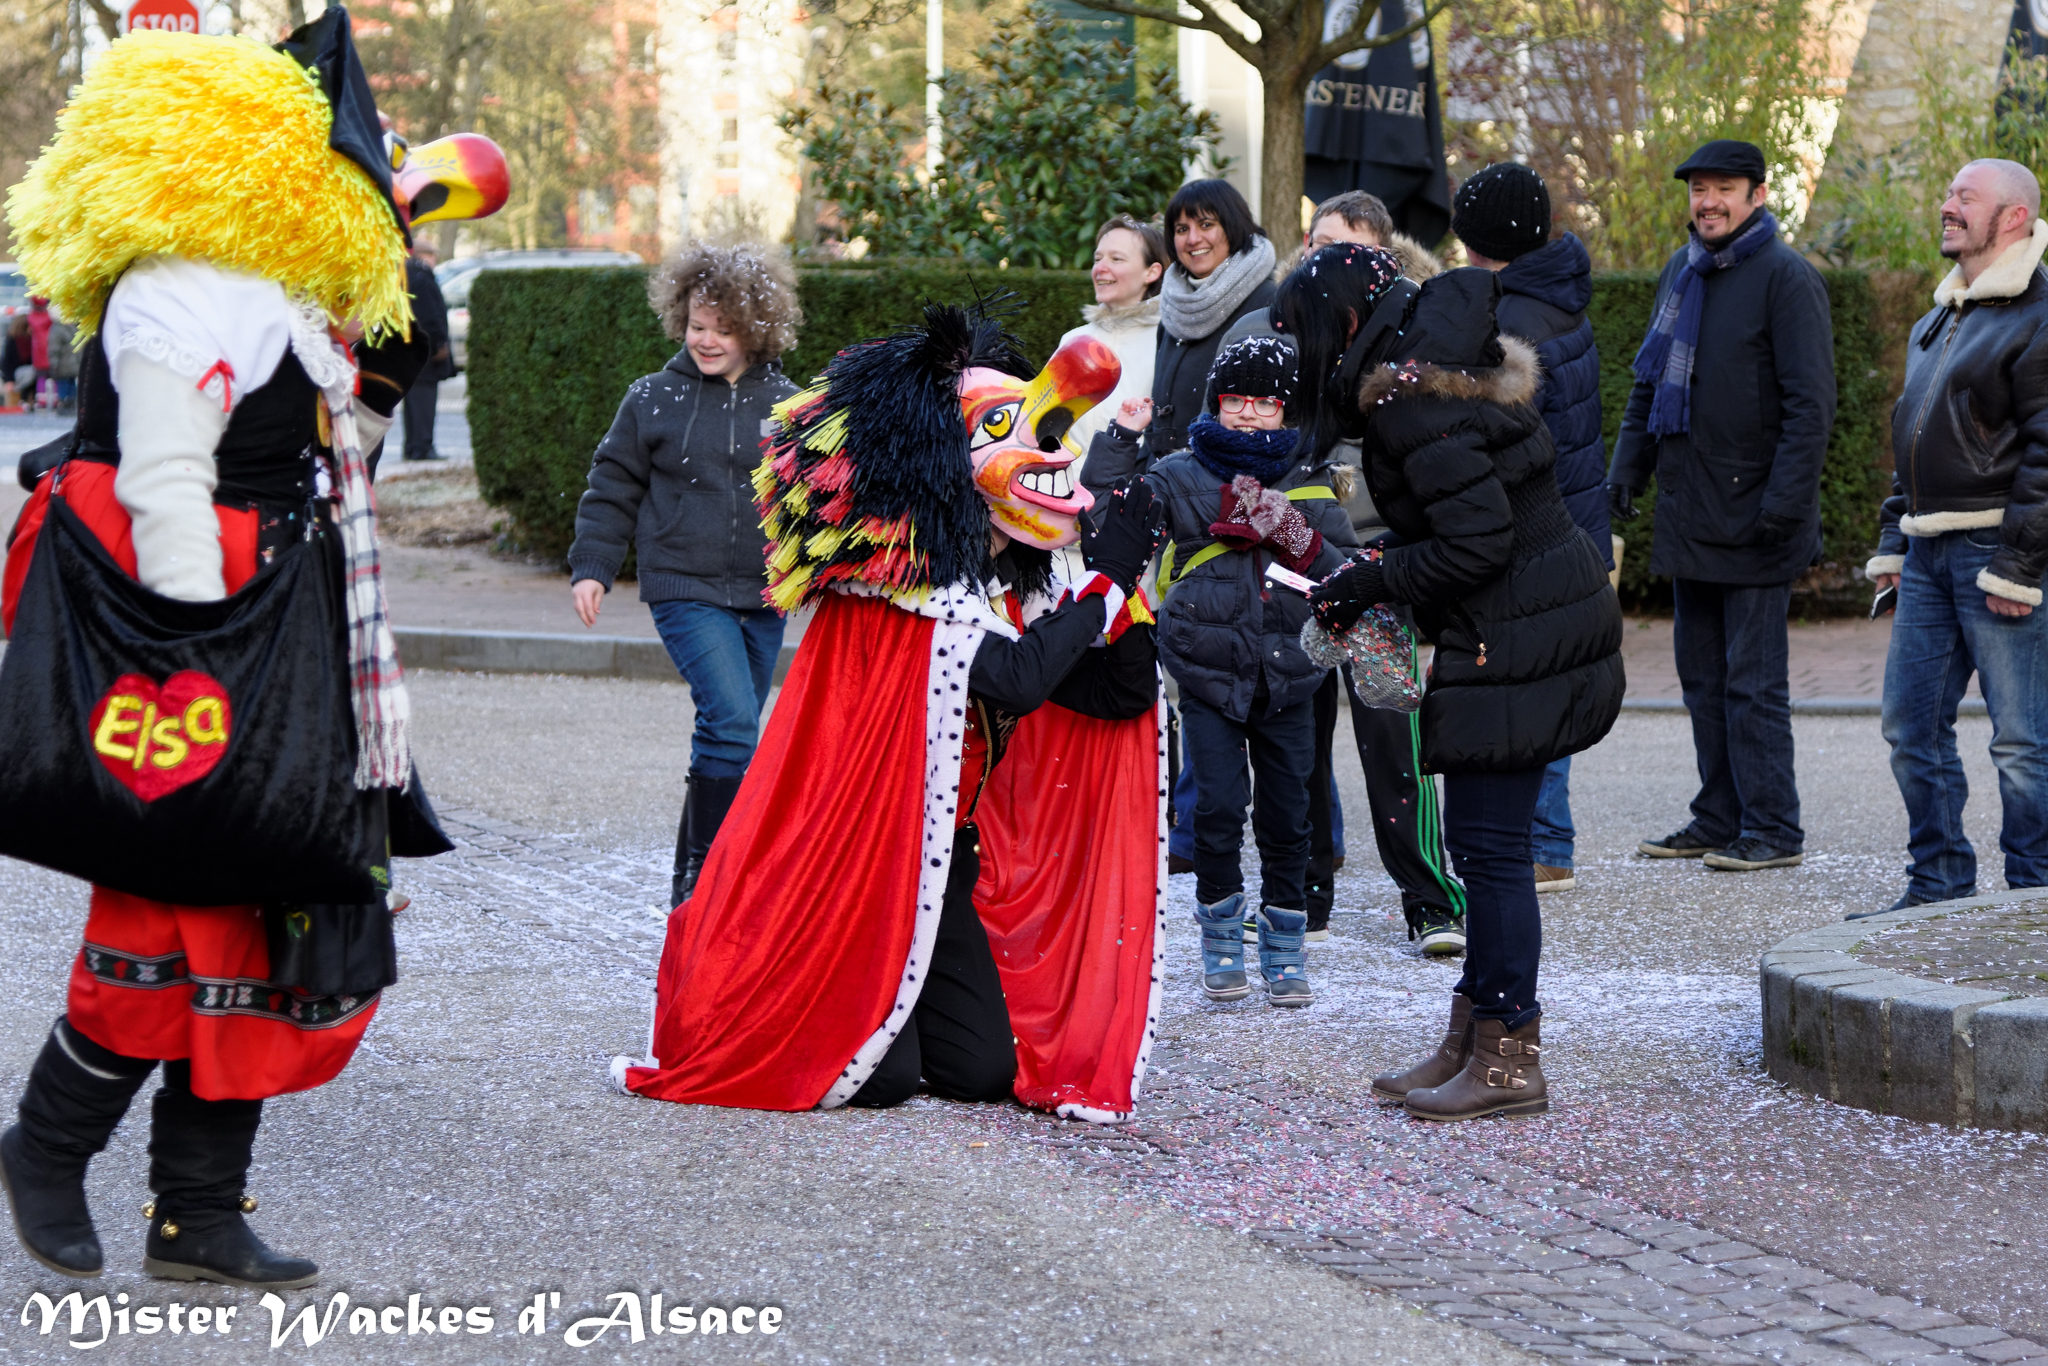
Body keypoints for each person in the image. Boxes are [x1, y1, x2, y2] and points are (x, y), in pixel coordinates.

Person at [0, 11, 503, 1285]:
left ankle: (197, 1214)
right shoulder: (186, 287)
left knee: (274, 924)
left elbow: (334, 461)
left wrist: (379, 368)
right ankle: (48, 1144)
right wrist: (199, 651)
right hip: (207, 643)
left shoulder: (272, 289)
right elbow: (164, 478)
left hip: (281, 631)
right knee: (170, 915)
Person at [615, 308, 1168, 1122]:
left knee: (981, 1071)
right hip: (858, 873)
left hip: (944, 871)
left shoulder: (1006, 593)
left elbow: (1114, 695)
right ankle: (856, 1009)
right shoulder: (902, 596)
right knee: (879, 1078)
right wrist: (1106, 582)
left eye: (1047, 432)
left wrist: (1123, 591)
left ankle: (894, 1006)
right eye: (1004, 426)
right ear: (938, 467)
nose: (1048, 449)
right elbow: (1015, 680)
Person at [1288, 243, 1624, 1120]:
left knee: (1494, 850)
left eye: (1305, 330)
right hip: (1527, 617)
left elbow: (1477, 545)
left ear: (1345, 323)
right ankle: (1472, 1035)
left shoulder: (1415, 403)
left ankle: (1508, 1056)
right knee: (1484, 844)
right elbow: (1470, 522)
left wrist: (1372, 578)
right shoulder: (1435, 375)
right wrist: (1379, 569)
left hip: (1519, 630)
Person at [1132, 189, 1467, 953]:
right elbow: (1216, 434)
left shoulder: (1410, 334)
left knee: (1393, 733)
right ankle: (1303, 896)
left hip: (1373, 555)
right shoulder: (1264, 328)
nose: (1325, 260)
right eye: (1317, 244)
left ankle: (1431, 900)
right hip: (1276, 564)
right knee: (1297, 739)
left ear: (1381, 257)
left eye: (1346, 248)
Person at [1607, 139, 1835, 874]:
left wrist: (1784, 505)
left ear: (1757, 195)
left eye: (1723, 189)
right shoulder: (1683, 272)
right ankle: (1719, 816)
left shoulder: (1787, 278)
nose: (1707, 202)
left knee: (1752, 684)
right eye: (1698, 189)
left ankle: (1774, 827)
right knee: (1702, 679)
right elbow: (1649, 384)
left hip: (1759, 518)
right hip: (1690, 508)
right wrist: (1626, 471)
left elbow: (1810, 408)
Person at [567, 243, 802, 908]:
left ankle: (697, 885)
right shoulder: (652, 398)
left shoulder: (790, 406)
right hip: (682, 585)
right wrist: (593, 569)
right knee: (732, 719)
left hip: (764, 592)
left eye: (724, 329)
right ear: (680, 317)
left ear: (755, 329)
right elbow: (612, 486)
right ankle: (707, 872)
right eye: (698, 325)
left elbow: (812, 500)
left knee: (733, 729)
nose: (707, 340)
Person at [1860, 158, 2048, 915]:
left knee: (2023, 742)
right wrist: (1894, 541)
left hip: (1996, 554)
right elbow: (1911, 439)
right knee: (1910, 728)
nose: (1947, 205)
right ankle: (1938, 886)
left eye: (1965, 196)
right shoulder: (1939, 318)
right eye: (1947, 193)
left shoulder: (2040, 313)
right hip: (1929, 553)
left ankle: (2035, 899)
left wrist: (2017, 566)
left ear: (2013, 217)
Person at [1151, 336, 1358, 1006]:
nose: (1247, 413)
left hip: (1290, 673)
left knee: (1289, 814)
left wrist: (1292, 532)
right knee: (1215, 806)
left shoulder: (1309, 478)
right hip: (1208, 673)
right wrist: (1119, 443)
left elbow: (1346, 576)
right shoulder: (1179, 473)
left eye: (1264, 403)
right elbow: (1114, 521)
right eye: (1235, 399)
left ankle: (1285, 941)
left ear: (1284, 410)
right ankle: (1219, 932)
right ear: (1215, 402)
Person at [1452, 162, 1611, 896]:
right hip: (1574, 522)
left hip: (1529, 531)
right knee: (1549, 674)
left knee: (1523, 684)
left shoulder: (1509, 320)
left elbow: (1497, 441)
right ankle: (1549, 840)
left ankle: (1540, 842)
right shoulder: (1560, 299)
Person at [1085, 179, 1275, 486]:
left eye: (1206, 224)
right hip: (1165, 484)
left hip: (1227, 487)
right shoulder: (1174, 308)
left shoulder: (1270, 304)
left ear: (1234, 226)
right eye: (1182, 229)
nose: (1193, 239)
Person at [1059, 215, 1169, 461]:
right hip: (1066, 483)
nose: (1100, 268)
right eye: (1097, 259)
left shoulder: (1168, 342)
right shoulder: (1071, 341)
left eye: (1116, 259)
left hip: (1134, 482)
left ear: (1151, 272)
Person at [399, 241, 453, 462]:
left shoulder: (406, 276)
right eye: (432, 254)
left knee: (413, 403)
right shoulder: (422, 278)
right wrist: (439, 344)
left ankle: (412, 446)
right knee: (424, 402)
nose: (435, 259)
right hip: (425, 353)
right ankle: (422, 447)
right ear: (423, 255)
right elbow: (430, 316)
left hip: (409, 350)